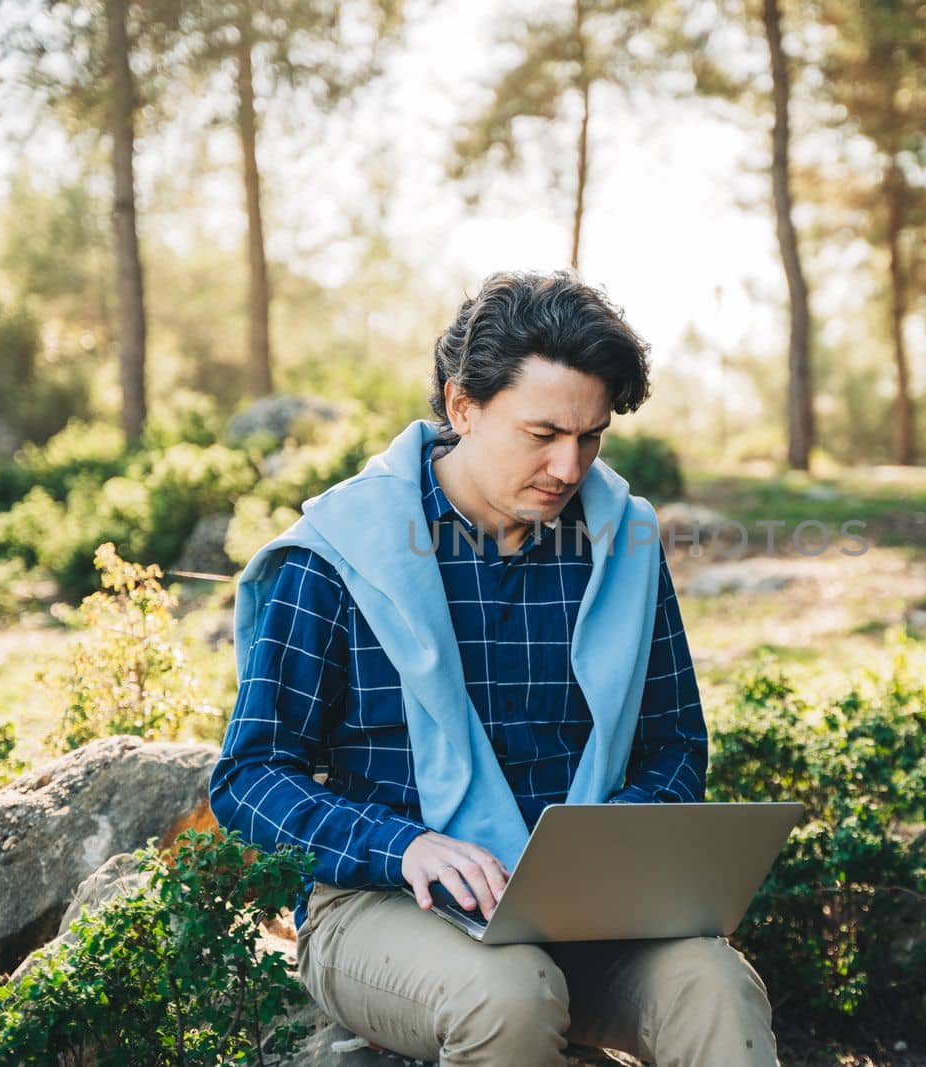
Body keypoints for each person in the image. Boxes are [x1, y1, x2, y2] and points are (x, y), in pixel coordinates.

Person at [210, 269, 777, 1066]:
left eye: (591, 436)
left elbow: (674, 744)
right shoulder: (340, 554)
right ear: (462, 407)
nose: (570, 468)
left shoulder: (623, 545)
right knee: (510, 993)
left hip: (587, 910)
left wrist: (613, 847)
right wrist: (402, 845)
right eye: (542, 434)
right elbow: (250, 774)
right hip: (379, 903)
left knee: (717, 987)